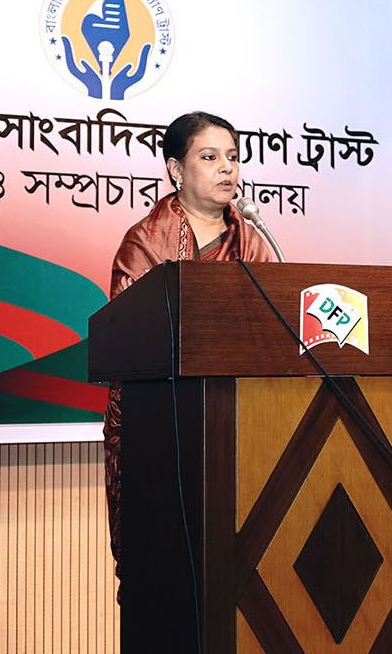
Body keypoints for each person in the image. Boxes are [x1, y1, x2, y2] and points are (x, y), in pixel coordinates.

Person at [105, 111, 280, 593]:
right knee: (168, 580)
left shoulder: (252, 240)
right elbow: (130, 339)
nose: (227, 168)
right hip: (163, 425)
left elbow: (274, 330)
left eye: (233, 157)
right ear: (176, 170)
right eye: (209, 157)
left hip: (243, 422)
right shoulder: (145, 242)